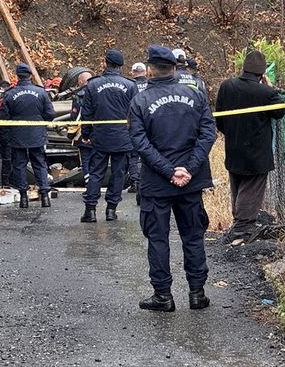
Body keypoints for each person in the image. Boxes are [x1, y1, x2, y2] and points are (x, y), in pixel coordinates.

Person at [129, 45, 216, 312]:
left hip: (157, 183)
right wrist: (188, 169)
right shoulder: (196, 94)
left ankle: (163, 295)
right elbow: (208, 134)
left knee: (158, 239)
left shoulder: (140, 101)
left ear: (150, 69)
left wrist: (168, 171)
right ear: (176, 68)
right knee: (193, 236)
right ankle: (197, 293)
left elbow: (140, 144)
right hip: (191, 181)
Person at [215, 50, 285, 241]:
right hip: (257, 152)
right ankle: (242, 227)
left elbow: (219, 118)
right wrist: (271, 88)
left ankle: (238, 223)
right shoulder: (266, 93)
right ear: (262, 74)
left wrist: (231, 134)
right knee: (251, 189)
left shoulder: (227, 86)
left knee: (237, 185)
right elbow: (280, 112)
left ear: (243, 68)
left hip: (233, 147)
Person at [80, 49, 138, 222]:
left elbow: (86, 112)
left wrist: (86, 133)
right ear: (121, 66)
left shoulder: (93, 84)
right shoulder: (130, 85)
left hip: (100, 136)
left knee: (96, 172)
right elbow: (135, 113)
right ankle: (111, 210)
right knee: (118, 173)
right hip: (122, 137)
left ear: (105, 63)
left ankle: (90, 211)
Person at [0, 63, 56, 208]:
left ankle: (24, 198)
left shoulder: (10, 94)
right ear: (30, 75)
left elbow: (4, 119)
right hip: (36, 135)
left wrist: (4, 138)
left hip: (17, 136)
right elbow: (50, 114)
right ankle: (45, 197)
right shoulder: (41, 92)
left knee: (19, 165)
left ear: (17, 76)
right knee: (40, 164)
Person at [67, 71, 93, 183]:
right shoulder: (99, 92)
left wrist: (70, 134)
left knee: (86, 159)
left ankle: (89, 184)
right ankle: (96, 183)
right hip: (100, 133)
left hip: (83, 133)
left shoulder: (79, 95)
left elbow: (75, 117)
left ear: (81, 81)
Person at [127, 63, 148, 194]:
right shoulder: (151, 84)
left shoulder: (129, 85)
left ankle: (134, 180)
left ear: (133, 72)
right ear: (145, 72)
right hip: (150, 122)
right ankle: (145, 180)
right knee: (148, 151)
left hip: (134, 122)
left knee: (133, 154)